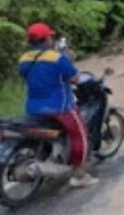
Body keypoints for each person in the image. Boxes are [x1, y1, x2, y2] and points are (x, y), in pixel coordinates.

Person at [18, 22, 99, 188]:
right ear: (46, 39)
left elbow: (33, 77)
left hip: (33, 107)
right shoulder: (57, 58)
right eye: (50, 36)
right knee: (81, 135)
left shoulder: (23, 59)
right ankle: (79, 175)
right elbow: (75, 78)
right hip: (60, 107)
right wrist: (69, 59)